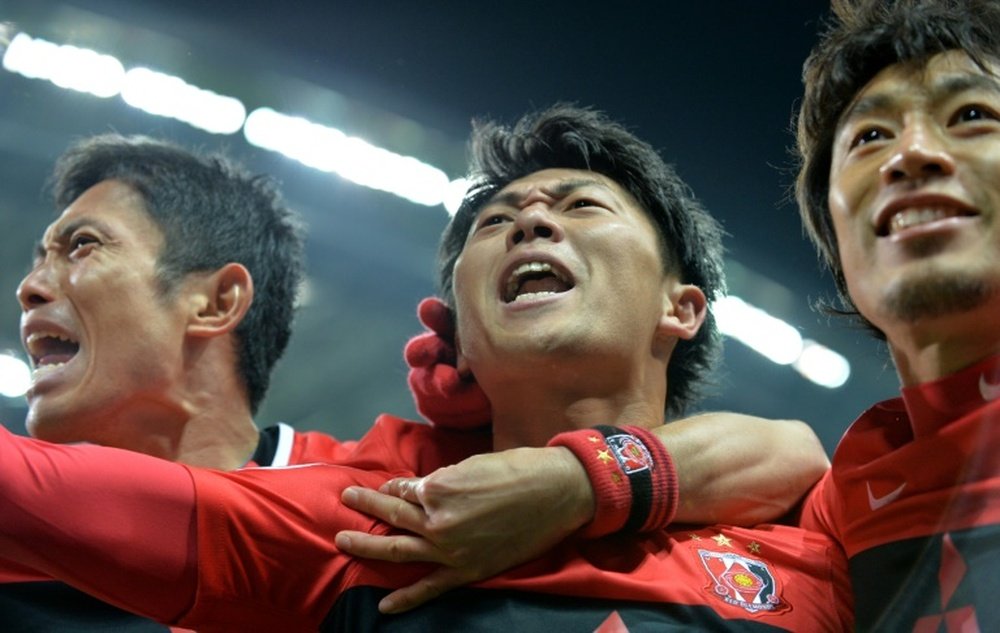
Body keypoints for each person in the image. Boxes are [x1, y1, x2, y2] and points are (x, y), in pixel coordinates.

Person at [0, 106, 852, 630]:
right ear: (456, 336)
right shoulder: (376, 519)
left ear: (684, 306)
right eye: (497, 223)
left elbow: (804, 451)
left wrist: (586, 478)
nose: (530, 224)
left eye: (581, 205)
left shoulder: (821, 529)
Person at [793, 0, 1000, 629]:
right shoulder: (838, 509)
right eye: (870, 137)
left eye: (971, 115)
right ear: (834, 229)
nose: (908, 155)